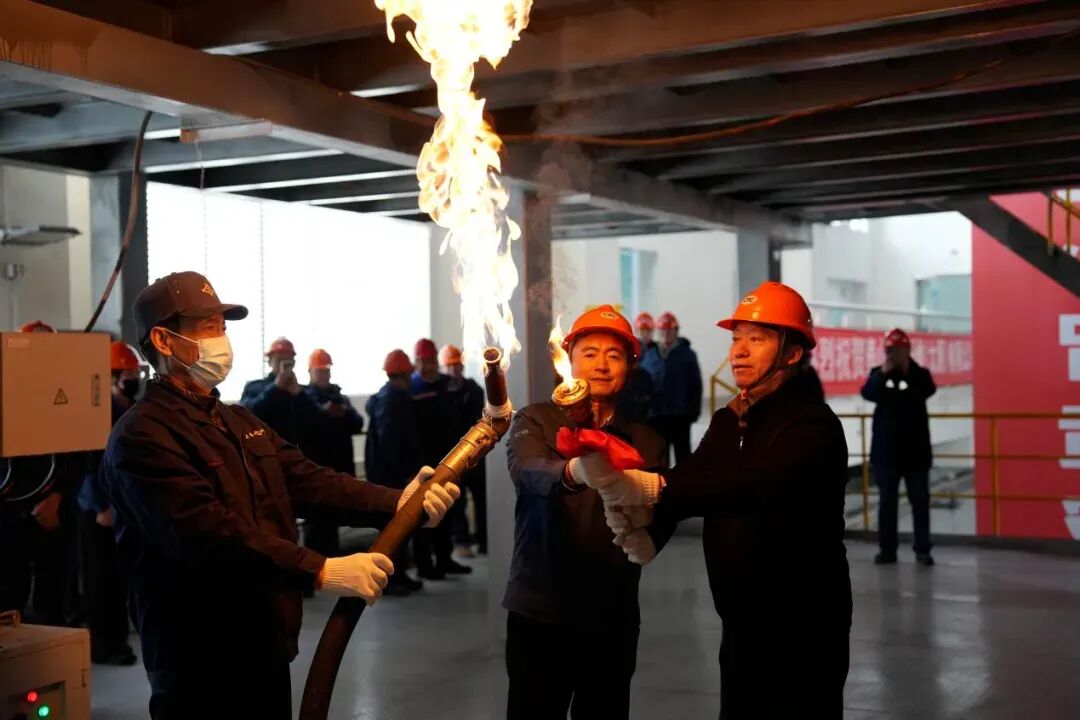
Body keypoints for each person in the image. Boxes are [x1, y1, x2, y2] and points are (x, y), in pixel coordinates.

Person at [99, 271, 459, 720]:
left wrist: (398, 503)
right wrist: (320, 569)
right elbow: (207, 535)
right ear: (163, 340)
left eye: (223, 327)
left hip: (264, 639)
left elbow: (307, 480)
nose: (221, 340)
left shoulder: (234, 421)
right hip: (200, 660)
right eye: (208, 327)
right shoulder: (142, 436)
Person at [580, 283, 852, 719]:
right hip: (742, 622)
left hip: (804, 627)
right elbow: (695, 474)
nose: (738, 352)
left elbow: (749, 485)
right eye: (736, 339)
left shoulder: (812, 426)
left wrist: (652, 488)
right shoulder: (731, 419)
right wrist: (652, 532)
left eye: (756, 339)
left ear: (792, 353)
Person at [503, 305, 672, 720]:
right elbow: (526, 470)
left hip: (611, 615)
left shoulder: (646, 439)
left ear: (630, 365)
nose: (601, 364)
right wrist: (572, 471)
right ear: (570, 358)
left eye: (614, 355)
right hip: (541, 608)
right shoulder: (536, 419)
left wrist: (651, 536)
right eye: (590, 353)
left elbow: (663, 503)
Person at [0, 320, 81, 627]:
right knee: (9, 597)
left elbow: (80, 453)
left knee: (53, 597)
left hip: (53, 512)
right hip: (8, 513)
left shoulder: (69, 400)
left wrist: (58, 497)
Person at [76, 341, 144, 665]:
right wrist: (100, 505)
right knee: (101, 579)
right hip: (100, 512)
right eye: (128, 374)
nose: (134, 379)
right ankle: (104, 645)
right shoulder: (96, 411)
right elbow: (87, 462)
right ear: (112, 377)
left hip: (124, 509)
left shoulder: (131, 409)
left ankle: (117, 639)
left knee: (119, 579)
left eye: (135, 374)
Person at [861, 328, 937, 567]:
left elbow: (926, 390)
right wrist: (883, 373)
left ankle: (922, 550)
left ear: (908, 350)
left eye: (897, 350)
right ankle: (887, 550)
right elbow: (867, 393)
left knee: (920, 502)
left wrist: (906, 372)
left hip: (916, 453)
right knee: (887, 503)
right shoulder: (878, 374)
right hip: (887, 453)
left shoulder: (921, 375)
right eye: (889, 350)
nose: (893, 354)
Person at [364, 349, 425, 596]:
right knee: (393, 529)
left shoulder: (388, 397)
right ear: (405, 374)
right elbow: (391, 442)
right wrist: (407, 472)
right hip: (390, 476)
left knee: (398, 527)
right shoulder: (392, 400)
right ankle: (389, 580)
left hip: (386, 473)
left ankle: (398, 575)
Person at [410, 338, 471, 579]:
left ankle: (445, 560)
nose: (429, 365)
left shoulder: (448, 385)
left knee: (450, 510)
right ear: (416, 362)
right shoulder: (412, 389)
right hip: (424, 463)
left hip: (451, 459)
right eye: (424, 361)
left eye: (432, 360)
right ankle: (425, 565)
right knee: (424, 515)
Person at [301, 348, 365, 558]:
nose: (324, 375)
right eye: (320, 371)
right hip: (314, 469)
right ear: (310, 371)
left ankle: (333, 562)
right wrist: (323, 413)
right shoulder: (304, 398)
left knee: (333, 518)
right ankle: (313, 566)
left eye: (326, 370)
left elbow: (358, 423)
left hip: (339, 468)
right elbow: (306, 426)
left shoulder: (340, 397)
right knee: (315, 520)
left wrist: (343, 413)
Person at [440, 343, 488, 556]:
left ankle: (485, 541)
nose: (453, 370)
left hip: (476, 454)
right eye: (448, 366)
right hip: (453, 457)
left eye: (456, 365)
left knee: (482, 500)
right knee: (456, 501)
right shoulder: (440, 393)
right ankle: (462, 542)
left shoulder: (474, 390)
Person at [640, 311, 703, 465]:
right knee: (660, 458)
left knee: (683, 458)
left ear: (676, 331)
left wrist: (693, 412)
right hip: (656, 417)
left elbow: (695, 385)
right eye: (662, 330)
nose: (666, 334)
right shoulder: (649, 354)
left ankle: (684, 480)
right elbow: (643, 383)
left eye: (669, 330)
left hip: (680, 417)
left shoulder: (687, 354)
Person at [240, 336, 321, 447]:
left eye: (288, 362)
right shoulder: (255, 387)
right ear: (270, 362)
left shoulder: (304, 391)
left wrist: (300, 395)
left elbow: (318, 422)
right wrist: (275, 388)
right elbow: (246, 416)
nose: (283, 366)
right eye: (279, 360)